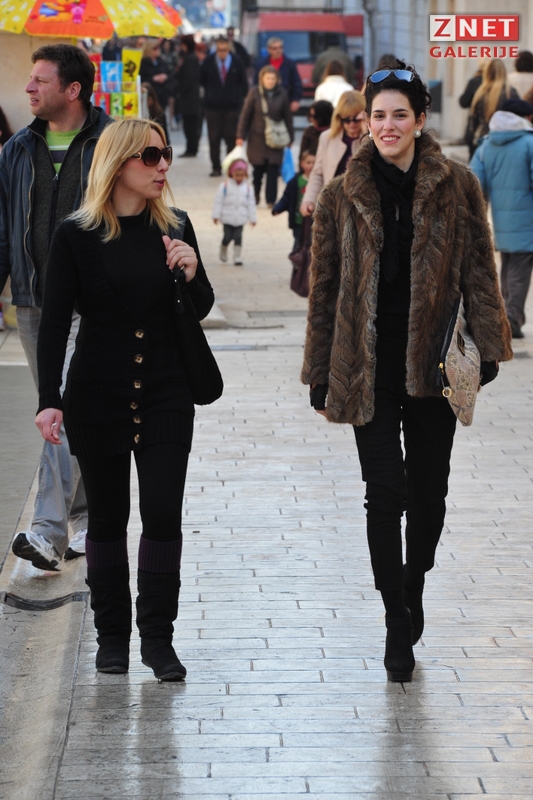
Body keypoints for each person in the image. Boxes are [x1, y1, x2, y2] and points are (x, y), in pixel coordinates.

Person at [301, 60, 513, 683]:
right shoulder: (341, 193)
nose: (387, 126)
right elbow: (324, 288)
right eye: (378, 116)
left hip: (434, 363)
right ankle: (395, 618)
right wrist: (320, 369)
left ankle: (413, 582)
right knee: (383, 491)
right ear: (364, 122)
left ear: (421, 120)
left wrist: (489, 345)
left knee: (428, 494)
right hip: (365, 365)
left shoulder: (458, 184)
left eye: (400, 115)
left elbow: (479, 268)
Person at [35, 118, 219, 680]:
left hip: (167, 392)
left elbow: (200, 305)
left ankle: (158, 641)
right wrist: (49, 398)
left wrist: (190, 272)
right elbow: (53, 323)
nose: (163, 166)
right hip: (98, 394)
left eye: (166, 154)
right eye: (151, 156)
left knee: (162, 515)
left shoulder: (176, 225)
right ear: (118, 164)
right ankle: (112, 637)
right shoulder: (76, 235)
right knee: (108, 520)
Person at [0, 44, 111, 571]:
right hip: (33, 301)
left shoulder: (112, 143)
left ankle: (47, 531)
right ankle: (88, 519)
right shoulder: (16, 150)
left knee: (63, 407)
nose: (28, 88)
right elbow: (3, 231)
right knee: (63, 412)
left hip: (91, 305)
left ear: (72, 89)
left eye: (40, 81)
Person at [471, 98, 533, 339]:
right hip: (527, 220)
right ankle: (512, 320)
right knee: (518, 271)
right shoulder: (529, 143)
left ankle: (506, 317)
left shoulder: (487, 145)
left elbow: (474, 184)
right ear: (523, 118)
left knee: (508, 267)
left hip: (500, 220)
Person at [300, 90, 366, 217]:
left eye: (356, 119)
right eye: (346, 119)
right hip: (334, 207)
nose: (351, 123)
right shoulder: (327, 138)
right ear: (339, 118)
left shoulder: (371, 139)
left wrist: (367, 133)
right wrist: (309, 199)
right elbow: (318, 173)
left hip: (361, 209)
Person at [236, 65, 294, 207]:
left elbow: (288, 117)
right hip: (257, 139)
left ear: (277, 80)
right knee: (258, 170)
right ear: (262, 79)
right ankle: (255, 194)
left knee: (273, 170)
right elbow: (245, 116)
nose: (270, 81)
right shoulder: (254, 93)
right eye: (268, 78)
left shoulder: (282, 94)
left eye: (273, 78)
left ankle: (270, 200)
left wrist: (290, 137)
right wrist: (240, 135)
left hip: (275, 139)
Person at [201, 36, 248, 177]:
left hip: (231, 108)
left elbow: (243, 83)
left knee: (231, 138)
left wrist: (240, 100)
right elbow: (202, 80)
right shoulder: (209, 62)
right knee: (213, 138)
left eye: (225, 50)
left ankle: (230, 166)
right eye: (219, 50)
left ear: (229, 49)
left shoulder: (237, 62)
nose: (222, 53)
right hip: (213, 107)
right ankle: (216, 167)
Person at [467, 59, 518, 157]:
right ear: (504, 72)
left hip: (483, 139)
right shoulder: (511, 93)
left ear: (487, 73)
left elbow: (473, 121)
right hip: (507, 140)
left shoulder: (480, 94)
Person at [212, 158, 257, 265]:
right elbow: (218, 201)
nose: (239, 177)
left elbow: (251, 204)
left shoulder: (248, 188)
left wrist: (253, 218)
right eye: (237, 175)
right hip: (227, 218)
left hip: (240, 218)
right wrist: (216, 215)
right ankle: (223, 248)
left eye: (242, 175)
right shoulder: (224, 186)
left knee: (238, 237)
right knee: (227, 237)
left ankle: (237, 256)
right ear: (231, 173)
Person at [272, 150, 316, 249]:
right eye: (308, 162)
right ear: (302, 163)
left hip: (315, 221)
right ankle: (297, 258)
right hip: (298, 220)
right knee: (298, 243)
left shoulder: (320, 183)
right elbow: (286, 197)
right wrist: (278, 208)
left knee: (313, 244)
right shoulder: (295, 181)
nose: (311, 165)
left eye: (314, 163)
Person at [254, 38, 303, 114]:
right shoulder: (262, 64)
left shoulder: (289, 64)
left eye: (280, 47)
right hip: (265, 101)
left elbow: (296, 83)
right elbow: (256, 83)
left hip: (285, 101)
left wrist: (295, 99)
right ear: (269, 49)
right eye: (275, 48)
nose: (278, 50)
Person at [174, 35, 202, 157]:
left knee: (190, 125)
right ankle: (191, 148)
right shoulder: (189, 57)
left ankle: (191, 149)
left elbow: (188, 78)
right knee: (189, 124)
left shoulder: (190, 58)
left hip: (190, 98)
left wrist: (179, 89)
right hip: (190, 97)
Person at [140, 39, 170, 112]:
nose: (158, 50)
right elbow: (141, 79)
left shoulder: (161, 61)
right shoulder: (143, 63)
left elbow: (169, 73)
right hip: (150, 96)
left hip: (162, 95)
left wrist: (165, 77)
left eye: (158, 47)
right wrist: (153, 79)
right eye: (155, 48)